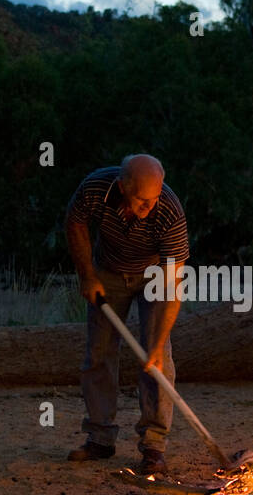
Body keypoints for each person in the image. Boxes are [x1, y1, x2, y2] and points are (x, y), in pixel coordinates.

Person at [64, 154, 188, 475]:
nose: (149, 206)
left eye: (154, 198)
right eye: (141, 199)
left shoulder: (169, 210)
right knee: (99, 353)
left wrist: (158, 344)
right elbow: (75, 222)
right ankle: (100, 437)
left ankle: (153, 445)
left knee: (159, 360)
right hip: (108, 270)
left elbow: (173, 281)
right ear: (122, 186)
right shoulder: (96, 188)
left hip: (155, 276)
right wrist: (87, 275)